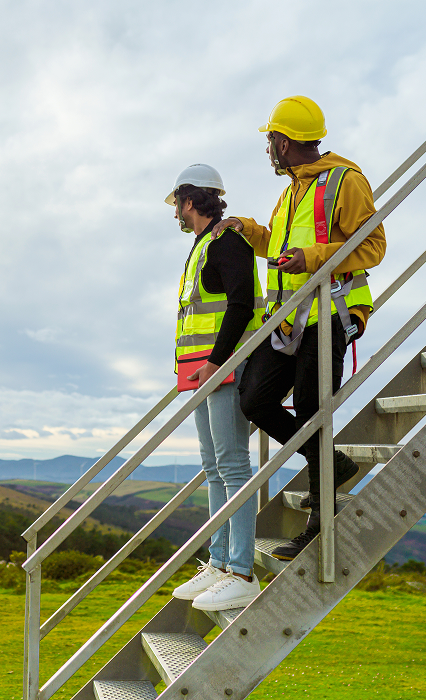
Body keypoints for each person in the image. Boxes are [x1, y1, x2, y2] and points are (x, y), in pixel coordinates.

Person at [211, 96, 386, 560]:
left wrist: (312, 259)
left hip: (332, 311)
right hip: (290, 319)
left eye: (270, 140)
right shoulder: (290, 192)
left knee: (312, 407)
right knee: (256, 399)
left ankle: (319, 521)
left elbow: (373, 246)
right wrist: (248, 229)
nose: (268, 148)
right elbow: (282, 247)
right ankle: (331, 464)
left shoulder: (346, 180)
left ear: (284, 142)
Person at [168, 164, 264, 610]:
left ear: (191, 201)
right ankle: (219, 562)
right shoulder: (203, 245)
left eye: (178, 205)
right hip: (201, 372)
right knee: (212, 466)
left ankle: (241, 572)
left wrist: (216, 359)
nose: (176, 214)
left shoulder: (226, 242)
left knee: (232, 466)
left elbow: (242, 304)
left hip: (222, 369)